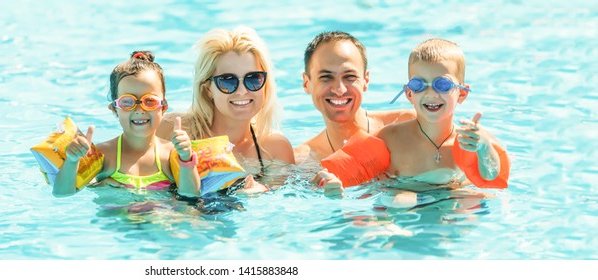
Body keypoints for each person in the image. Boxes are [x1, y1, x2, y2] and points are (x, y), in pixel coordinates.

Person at [320, 38, 510, 204]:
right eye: (419, 85)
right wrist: (327, 183)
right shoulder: (391, 138)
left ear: (462, 93)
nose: (430, 93)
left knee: (477, 200)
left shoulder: (470, 141)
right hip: (400, 199)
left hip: (452, 198)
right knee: (402, 201)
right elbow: (335, 173)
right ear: (409, 93)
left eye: (442, 84)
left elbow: (490, 176)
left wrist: (484, 148)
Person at [156, 26, 295, 187]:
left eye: (253, 79)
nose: (242, 91)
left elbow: (278, 205)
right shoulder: (172, 130)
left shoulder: (275, 148)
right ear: (208, 89)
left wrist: (261, 192)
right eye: (228, 80)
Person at [53, 51, 202, 198]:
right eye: (127, 102)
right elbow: (62, 192)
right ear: (114, 110)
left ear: (163, 107)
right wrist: (72, 161)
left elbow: (191, 194)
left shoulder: (170, 154)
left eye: (149, 101)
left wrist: (186, 158)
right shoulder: (104, 155)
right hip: (118, 221)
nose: (139, 109)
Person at [295, 31, 415, 164]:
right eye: (326, 77)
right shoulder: (303, 161)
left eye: (349, 77)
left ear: (366, 81)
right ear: (307, 83)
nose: (339, 90)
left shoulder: (409, 126)